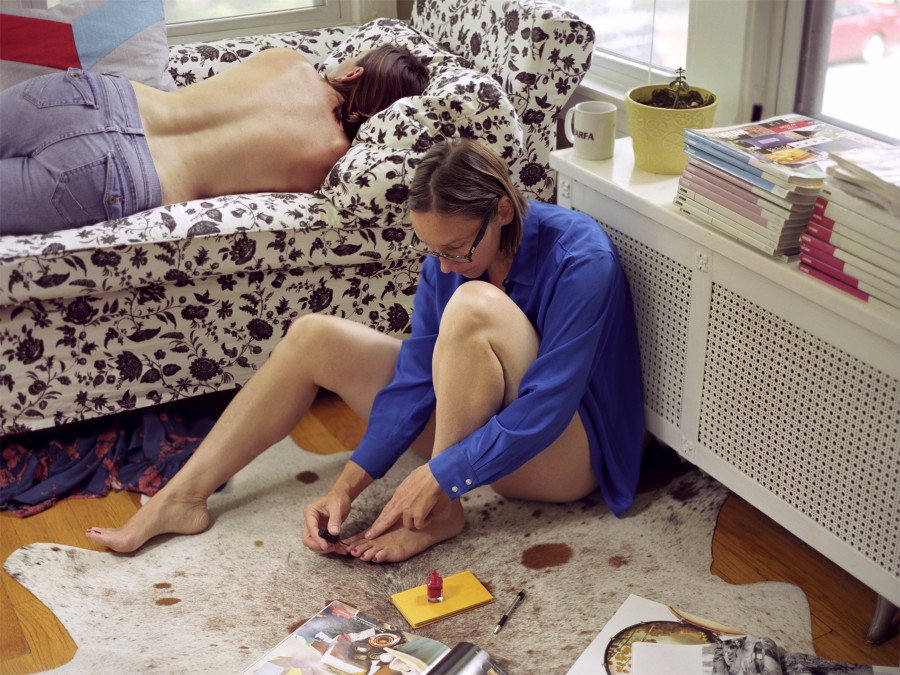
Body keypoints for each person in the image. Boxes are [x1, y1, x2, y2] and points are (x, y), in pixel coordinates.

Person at [85, 138, 644, 563]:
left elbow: (547, 407)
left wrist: (442, 473)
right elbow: (415, 381)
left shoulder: (581, 258)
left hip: (563, 457)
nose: (444, 266)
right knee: (314, 335)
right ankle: (183, 498)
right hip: (484, 427)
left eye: (455, 249)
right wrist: (347, 486)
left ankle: (442, 509)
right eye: (434, 251)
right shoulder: (447, 261)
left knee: (473, 305)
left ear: (501, 211)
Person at [0, 45, 428, 235]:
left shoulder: (288, 61)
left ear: (354, 72)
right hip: (118, 177)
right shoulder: (329, 159)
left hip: (94, 99)